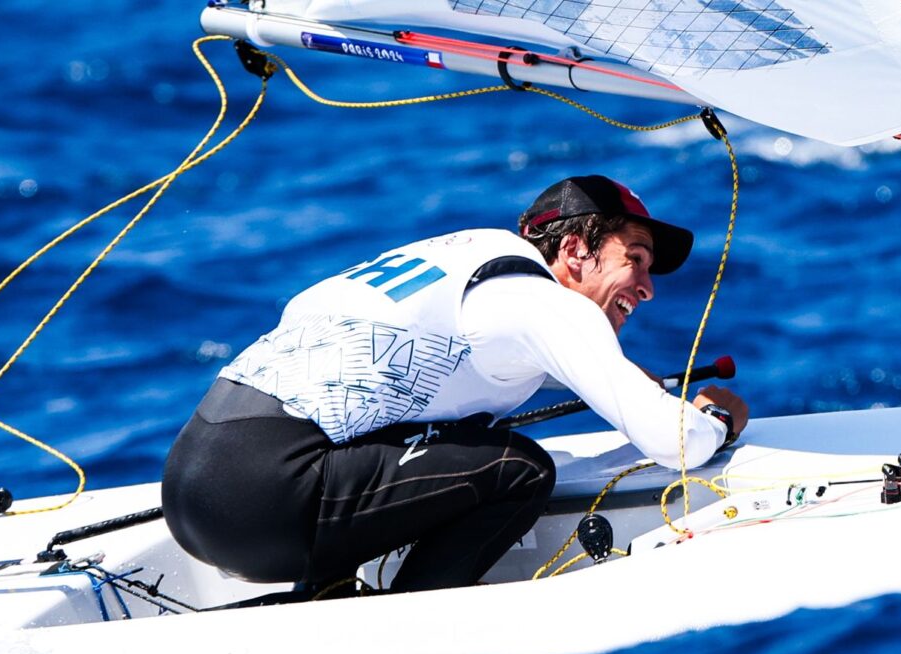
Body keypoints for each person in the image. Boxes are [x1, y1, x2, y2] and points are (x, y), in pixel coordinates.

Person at [162, 175, 748, 595]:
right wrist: (715, 417)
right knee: (515, 468)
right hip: (266, 500)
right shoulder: (537, 302)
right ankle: (408, 617)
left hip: (195, 485)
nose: (647, 287)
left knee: (452, 437)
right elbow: (676, 444)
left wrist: (620, 378)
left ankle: (327, 594)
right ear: (574, 248)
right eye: (636, 258)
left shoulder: (460, 261)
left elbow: (471, 363)